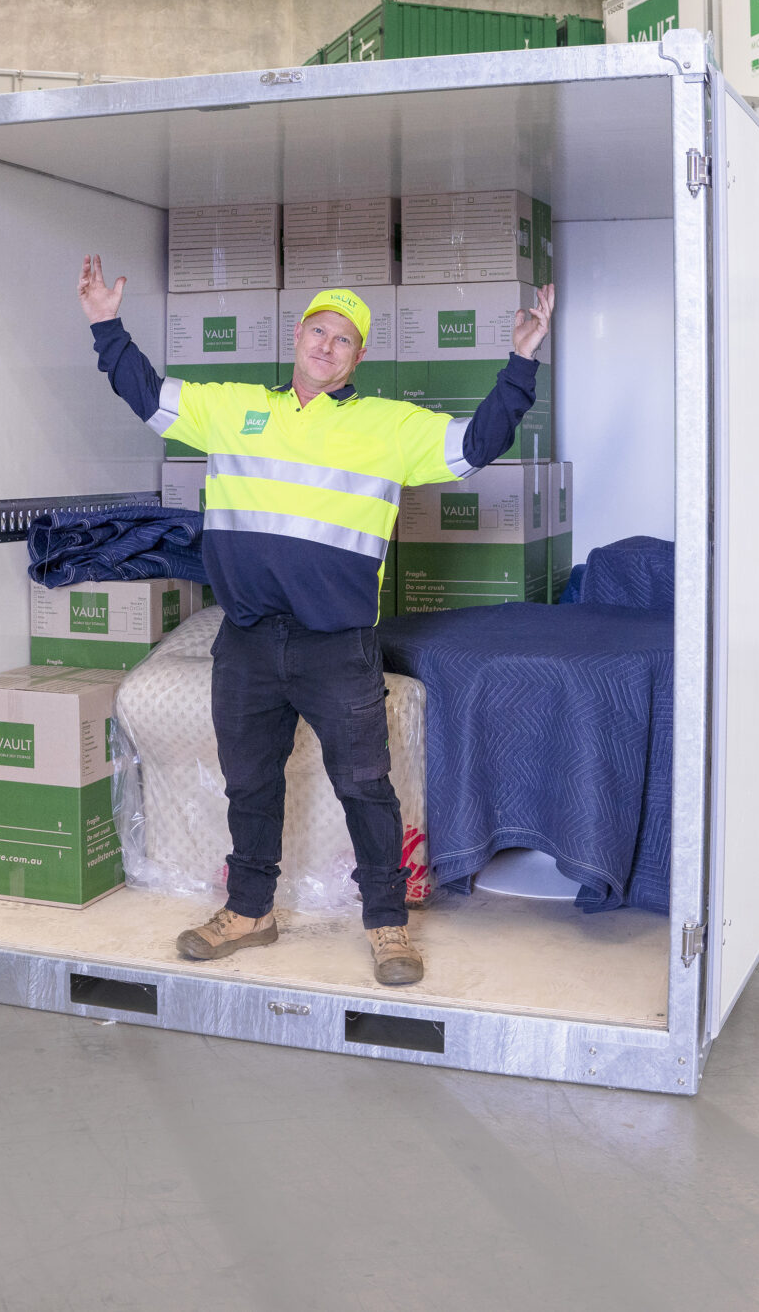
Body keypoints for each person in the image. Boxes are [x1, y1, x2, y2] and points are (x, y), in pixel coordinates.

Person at [78, 257, 553, 987]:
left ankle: (387, 924)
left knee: (366, 786)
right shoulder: (233, 409)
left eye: (344, 340)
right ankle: (249, 911)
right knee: (250, 782)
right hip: (247, 640)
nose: (327, 346)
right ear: (297, 337)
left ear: (359, 357)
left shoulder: (388, 426)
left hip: (337, 646)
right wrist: (106, 323)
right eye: (318, 331)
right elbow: (148, 395)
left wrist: (521, 362)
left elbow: (476, 445)